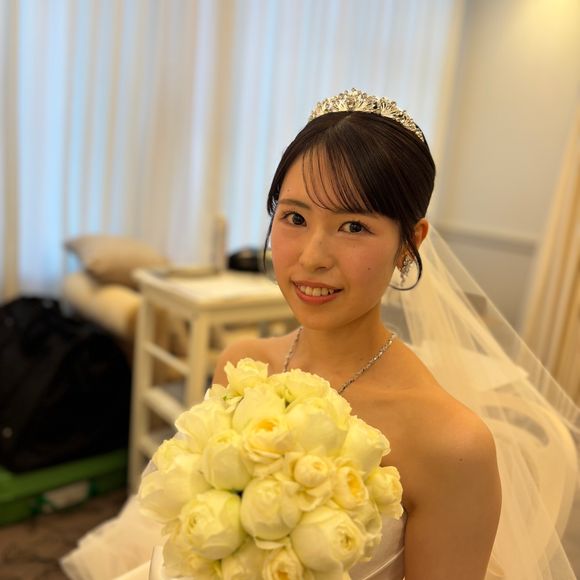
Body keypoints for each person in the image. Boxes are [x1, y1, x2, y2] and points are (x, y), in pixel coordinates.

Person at [61, 89, 579, 580]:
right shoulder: (242, 366)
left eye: (353, 226)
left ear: (410, 243)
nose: (311, 257)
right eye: (294, 217)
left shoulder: (452, 444)